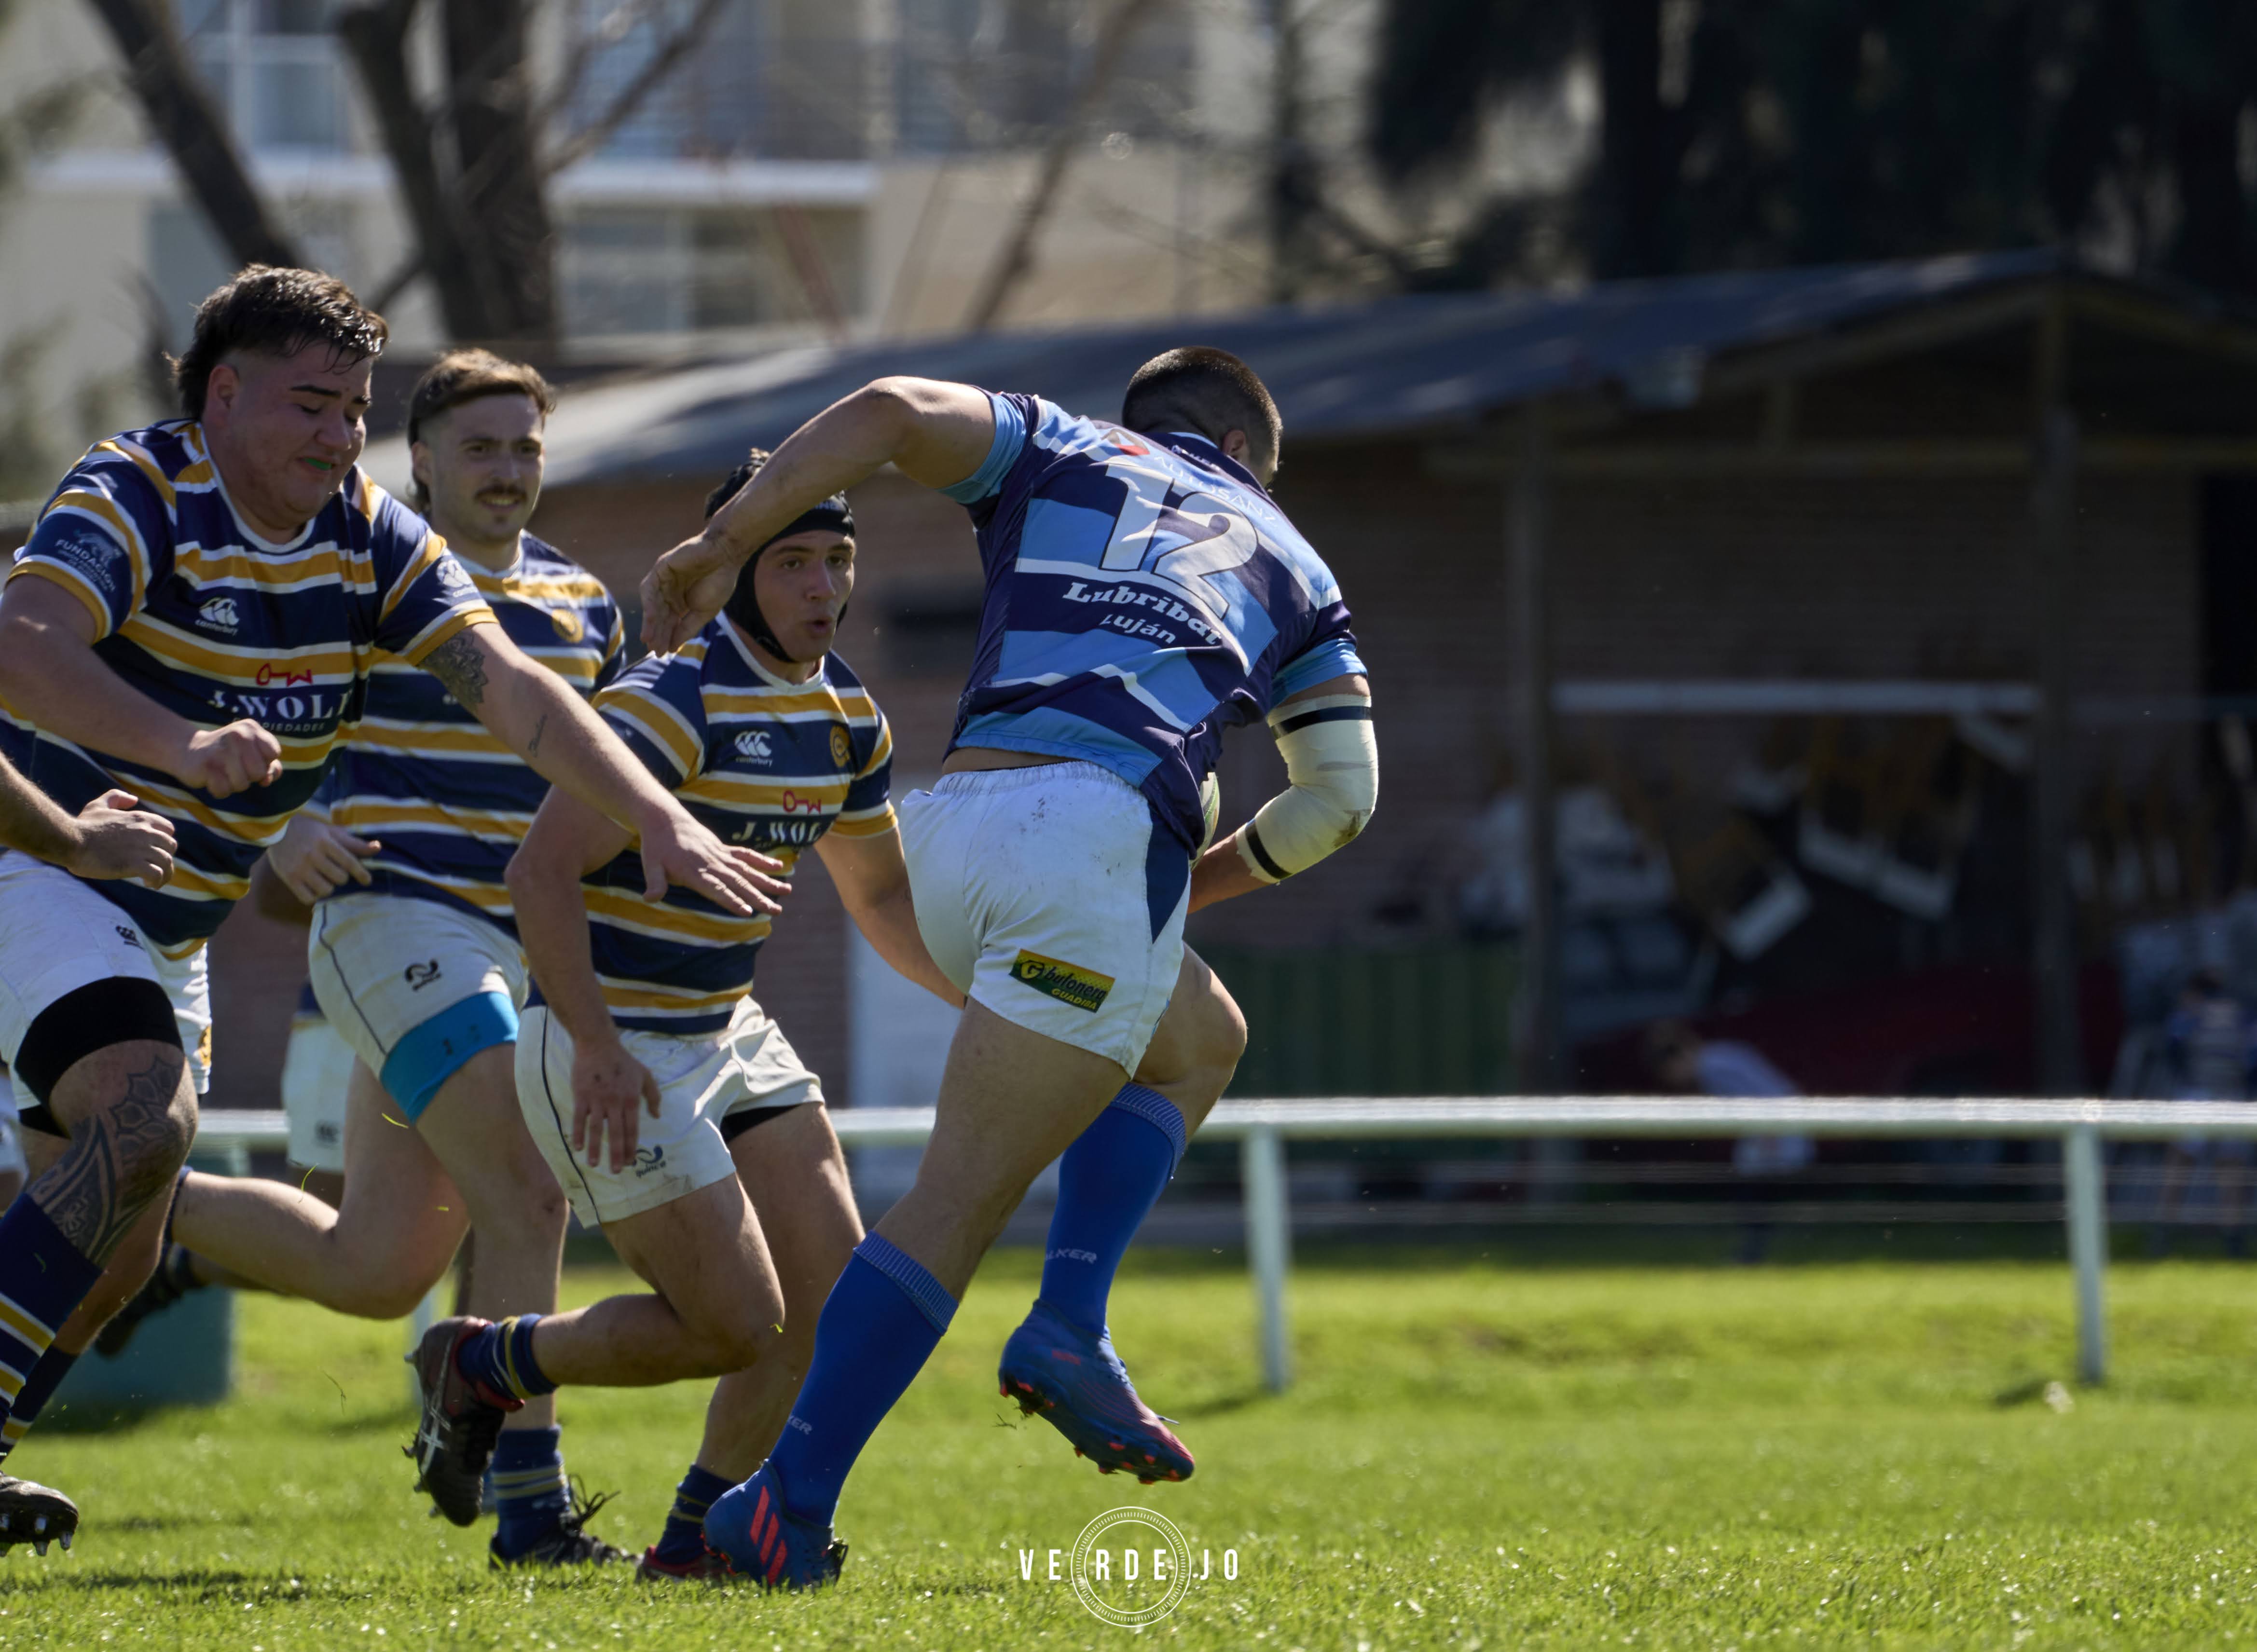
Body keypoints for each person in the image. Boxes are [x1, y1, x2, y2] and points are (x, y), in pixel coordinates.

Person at [0, 271, 778, 1559]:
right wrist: (181, 743)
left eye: (351, 409)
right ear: (222, 393)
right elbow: (22, 643)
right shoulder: (140, 486)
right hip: (46, 867)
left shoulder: (367, 537)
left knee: (125, 1256)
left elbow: (517, 691)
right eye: (310, 405)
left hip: (169, 931)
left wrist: (656, 814)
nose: (332, 436)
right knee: (143, 1112)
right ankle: (528, 1497)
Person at [638, 348, 1374, 1586]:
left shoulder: (1065, 445)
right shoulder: (1292, 557)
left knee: (1199, 1037)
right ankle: (785, 1509)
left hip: (957, 826)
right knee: (956, 1203)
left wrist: (726, 542)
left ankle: (1070, 1327)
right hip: (1094, 841)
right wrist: (1174, 890)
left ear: (1145, 424)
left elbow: (884, 410)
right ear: (1246, 453)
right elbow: (1339, 803)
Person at [94, 347, 659, 1567]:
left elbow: (591, 794)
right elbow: (236, 701)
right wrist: (283, 826)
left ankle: (131, 1214)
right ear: (422, 462)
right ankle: (532, 1508)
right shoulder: (370, 576)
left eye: (526, 449)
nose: (507, 471)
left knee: (374, 1263)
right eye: (480, 448)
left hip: (506, 954)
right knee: (529, 1190)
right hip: (395, 922)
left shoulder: (586, 604)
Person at [410, 450, 959, 1581]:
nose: (820, 586)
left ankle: (694, 1544)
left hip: (726, 1029)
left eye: (837, 560)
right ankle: (489, 1362)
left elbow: (884, 898)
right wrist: (599, 1050)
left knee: (830, 1302)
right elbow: (537, 876)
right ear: (740, 574)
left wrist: (988, 1005)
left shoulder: (850, 720)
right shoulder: (674, 701)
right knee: (731, 1324)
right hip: (608, 1042)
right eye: (793, 561)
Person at [1645, 1020, 1810, 1264]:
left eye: (1670, 1072)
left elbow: (1760, 1095)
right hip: (1776, 1123)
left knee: (1754, 1185)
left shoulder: (1711, 1067)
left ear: (1676, 1059)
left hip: (1778, 1125)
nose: (1674, 1081)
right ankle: (1757, 1250)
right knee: (1757, 1185)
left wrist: (1771, 1133)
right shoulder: (1717, 1057)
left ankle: (1754, 1252)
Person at [2150, 968, 2257, 1256]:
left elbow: (2173, 1047)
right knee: (2231, 1167)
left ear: (2194, 991)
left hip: (2196, 1095)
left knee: (2179, 1163)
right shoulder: (2242, 1015)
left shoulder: (2191, 1014)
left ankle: (2162, 1232)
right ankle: (2233, 1237)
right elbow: (2253, 1058)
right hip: (2234, 1097)